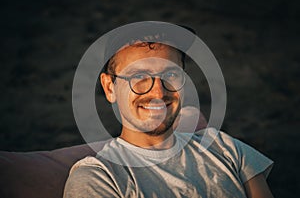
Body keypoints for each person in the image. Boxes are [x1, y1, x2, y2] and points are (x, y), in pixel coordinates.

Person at [64, 23, 274, 198]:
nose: (158, 91)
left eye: (171, 75)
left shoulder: (224, 147)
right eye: (139, 77)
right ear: (110, 88)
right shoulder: (98, 176)